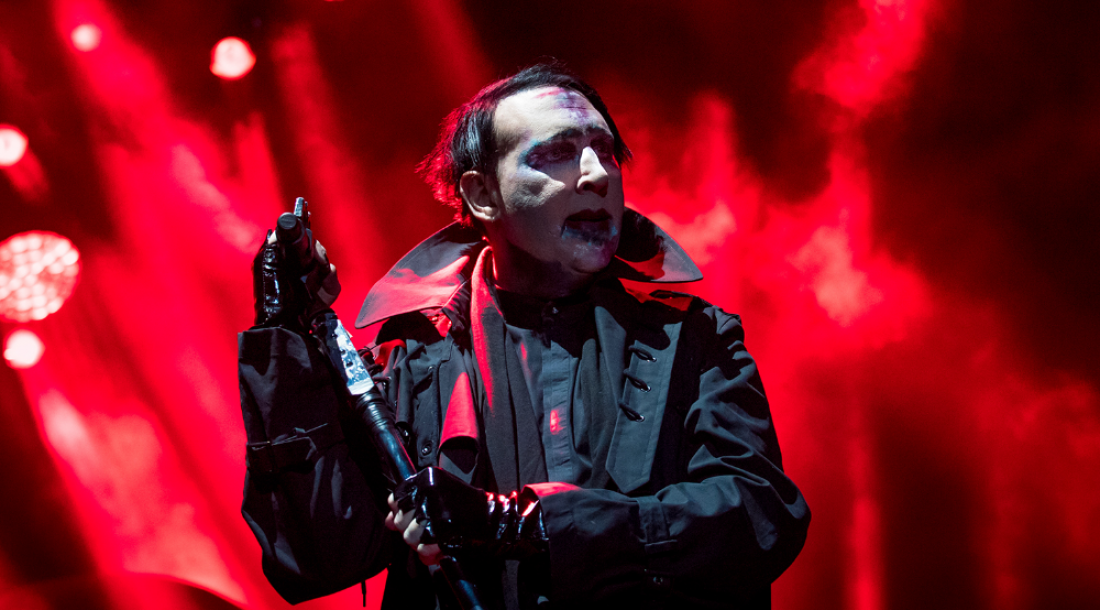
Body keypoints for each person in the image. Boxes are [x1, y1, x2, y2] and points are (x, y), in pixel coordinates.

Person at [239, 63, 809, 609]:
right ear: (483, 196)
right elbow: (318, 559)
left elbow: (759, 514)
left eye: (605, 150)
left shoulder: (692, 336)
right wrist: (281, 335)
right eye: (557, 154)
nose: (598, 175)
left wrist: (524, 524)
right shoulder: (409, 358)